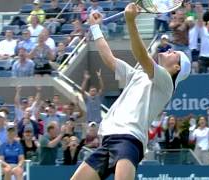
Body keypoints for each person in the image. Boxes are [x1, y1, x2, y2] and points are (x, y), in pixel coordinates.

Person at [71, 4, 191, 179]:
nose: (170, 50)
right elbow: (109, 59)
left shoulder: (166, 84)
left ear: (176, 67)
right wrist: (95, 28)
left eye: (175, 54)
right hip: (107, 140)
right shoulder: (138, 75)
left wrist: (130, 21)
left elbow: (141, 56)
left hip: (129, 140)